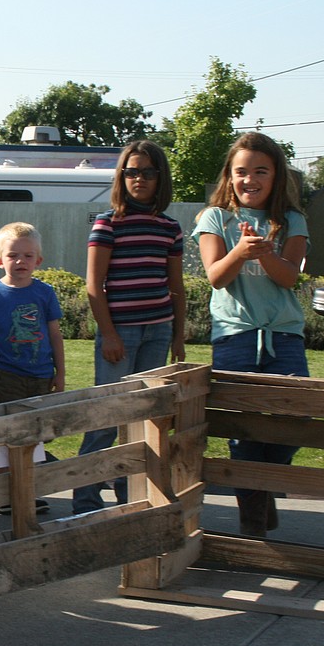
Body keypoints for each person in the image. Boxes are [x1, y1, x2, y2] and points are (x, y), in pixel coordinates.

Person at [193, 132, 308, 537]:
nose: (249, 179)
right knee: (242, 432)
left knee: (294, 419)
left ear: (276, 176)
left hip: (284, 338)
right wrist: (239, 251)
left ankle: (264, 486)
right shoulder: (215, 218)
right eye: (241, 171)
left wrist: (266, 253)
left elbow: (290, 278)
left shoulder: (292, 221)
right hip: (236, 337)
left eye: (261, 171)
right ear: (230, 176)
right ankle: (253, 523)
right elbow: (216, 277)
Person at [71, 140, 186, 515]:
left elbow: (176, 287)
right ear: (122, 177)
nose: (139, 179)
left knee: (142, 419)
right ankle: (84, 501)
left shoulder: (169, 227)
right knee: (106, 417)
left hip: (158, 332)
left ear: (160, 177)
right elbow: (93, 285)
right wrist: (109, 333)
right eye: (132, 171)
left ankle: (132, 497)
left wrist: (179, 336)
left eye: (148, 172)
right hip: (121, 334)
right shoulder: (108, 223)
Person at [0, 222, 65, 403]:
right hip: (7, 376)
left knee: (42, 426)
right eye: (12, 255)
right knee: (10, 427)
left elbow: (55, 335)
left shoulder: (45, 293)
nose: (20, 261)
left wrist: (61, 374)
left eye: (28, 256)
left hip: (43, 374)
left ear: (38, 260)